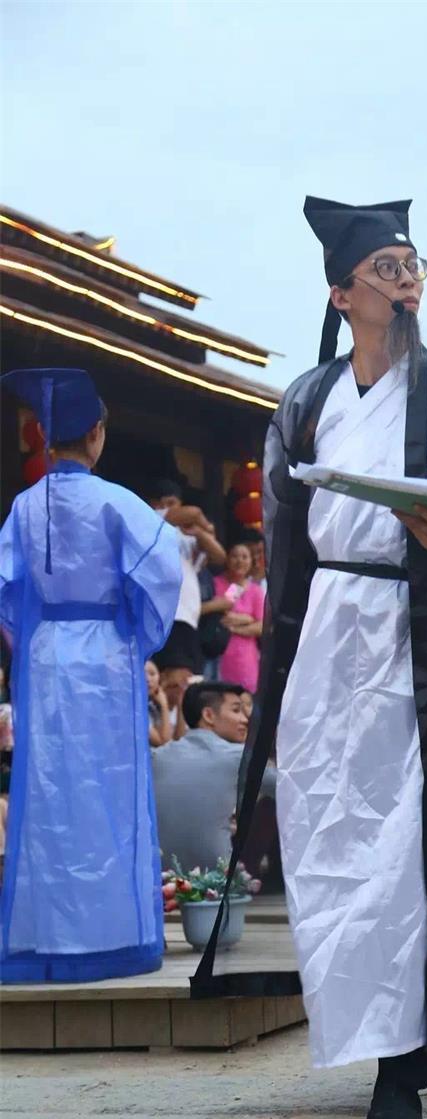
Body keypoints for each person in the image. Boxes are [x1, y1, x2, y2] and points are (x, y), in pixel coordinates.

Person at [192, 195, 427, 1119]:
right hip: (327, 638)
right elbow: (285, 538)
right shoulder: (304, 403)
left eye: (412, 264)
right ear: (341, 294)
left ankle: (403, 1058)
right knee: (328, 829)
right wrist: (281, 655)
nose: (405, 281)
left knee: (406, 842)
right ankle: (389, 1025)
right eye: (385, 268)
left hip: (416, 631)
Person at [0, 368, 181, 982]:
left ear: (44, 437)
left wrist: (31, 632)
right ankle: (110, 931)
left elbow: (6, 586)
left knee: (50, 787)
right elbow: (162, 571)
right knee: (108, 785)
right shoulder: (118, 502)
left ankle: (47, 931)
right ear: (97, 433)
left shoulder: (24, 506)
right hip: (104, 653)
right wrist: (135, 625)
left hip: (46, 652)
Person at [152, 682, 276, 874]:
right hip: (216, 881)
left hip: (159, 878)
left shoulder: (157, 757)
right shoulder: (238, 756)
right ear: (209, 715)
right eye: (236, 710)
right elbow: (290, 789)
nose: (245, 719)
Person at [147, 479, 226, 692]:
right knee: (170, 680)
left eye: (172, 503)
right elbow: (194, 512)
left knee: (185, 681)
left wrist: (200, 533)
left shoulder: (185, 534)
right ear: (153, 505)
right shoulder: (149, 521)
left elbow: (219, 556)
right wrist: (206, 526)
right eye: (162, 504)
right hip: (166, 613)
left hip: (186, 616)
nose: (166, 508)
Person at [210, 543, 265, 693]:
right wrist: (248, 619)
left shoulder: (256, 590)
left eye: (244, 557)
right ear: (227, 559)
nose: (240, 560)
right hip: (218, 652)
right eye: (235, 556)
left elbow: (261, 627)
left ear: (251, 561)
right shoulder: (216, 583)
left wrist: (234, 627)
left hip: (245, 657)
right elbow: (223, 614)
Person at [146, 658, 172, 747]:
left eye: (152, 674)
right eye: (142, 674)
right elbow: (164, 742)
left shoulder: (152, 705)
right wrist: (164, 705)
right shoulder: (132, 709)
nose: (148, 679)